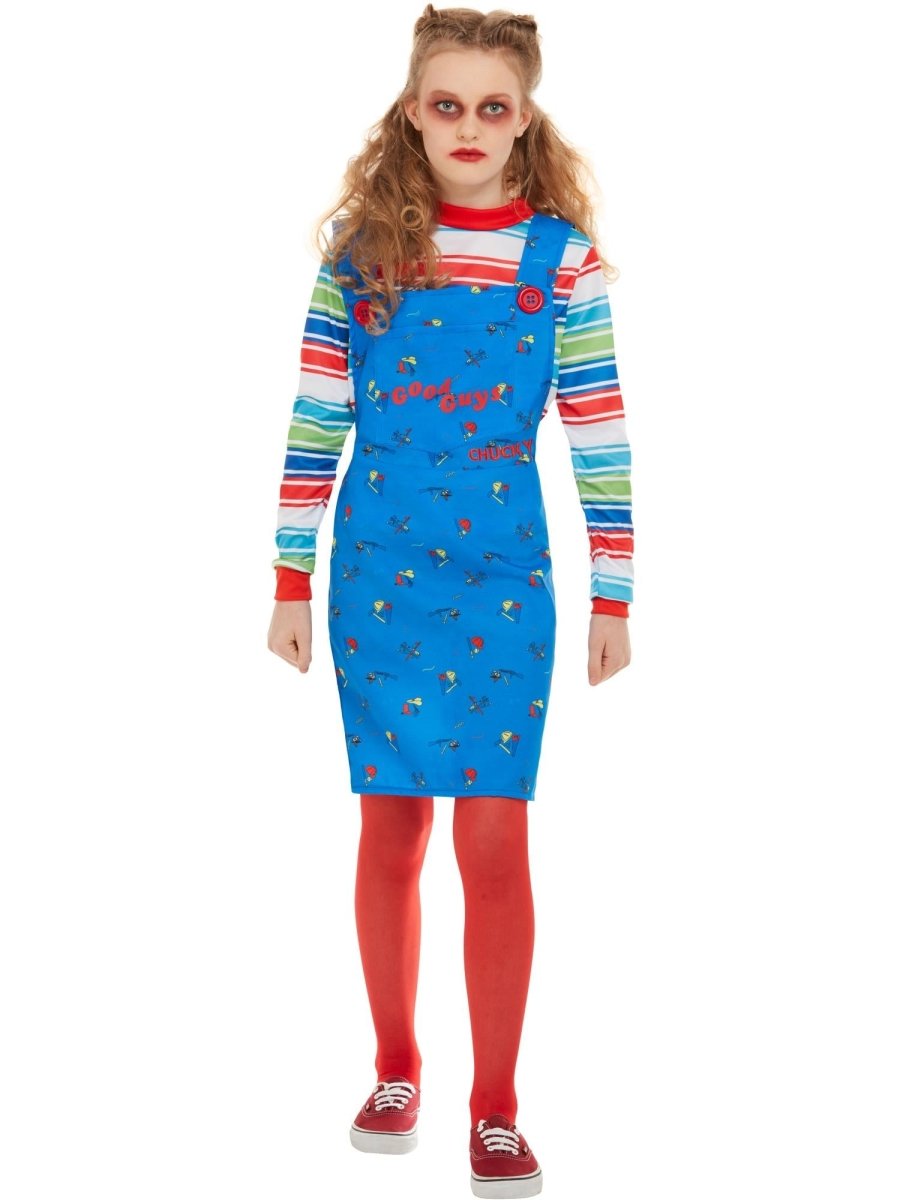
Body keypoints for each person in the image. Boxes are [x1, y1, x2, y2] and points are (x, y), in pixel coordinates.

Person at [267, 5, 633, 1196]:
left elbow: (598, 431)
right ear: (411, 113)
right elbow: (317, 416)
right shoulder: (360, 257)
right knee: (390, 828)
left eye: (492, 106)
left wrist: (615, 592)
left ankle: (497, 1105)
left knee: (494, 837)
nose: (468, 125)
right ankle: (394, 1067)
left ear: (524, 119)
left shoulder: (561, 261)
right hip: (378, 573)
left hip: (505, 582)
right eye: (446, 103)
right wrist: (288, 574)